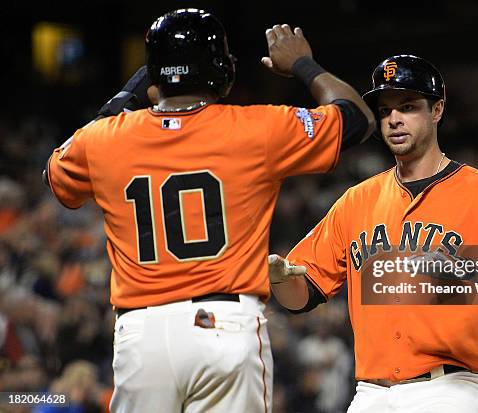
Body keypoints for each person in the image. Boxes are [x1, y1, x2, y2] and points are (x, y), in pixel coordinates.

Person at [43, 9, 374, 413]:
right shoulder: (258, 128)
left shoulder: (102, 139)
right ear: (222, 69)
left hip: (141, 331)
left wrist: (127, 95)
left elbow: (57, 177)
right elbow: (357, 118)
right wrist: (302, 63)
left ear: (153, 75)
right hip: (224, 323)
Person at [268, 54, 478, 412]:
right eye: (385, 111)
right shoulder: (357, 200)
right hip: (371, 393)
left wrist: (463, 270)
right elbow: (301, 296)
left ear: (437, 110)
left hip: (450, 386)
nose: (394, 119)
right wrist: (277, 279)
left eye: (408, 106)